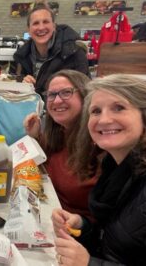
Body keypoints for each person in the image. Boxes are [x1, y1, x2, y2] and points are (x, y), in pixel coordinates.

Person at [52, 74, 146, 265]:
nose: (104, 119)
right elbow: (114, 240)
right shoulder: (115, 167)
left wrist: (89, 263)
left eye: (119, 108)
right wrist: (82, 226)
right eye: (96, 111)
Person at [24, 70, 98, 220]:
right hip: (48, 215)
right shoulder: (58, 134)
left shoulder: (99, 141)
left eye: (66, 92)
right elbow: (39, 168)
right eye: (52, 94)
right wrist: (34, 137)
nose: (57, 101)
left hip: (78, 231)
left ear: (86, 96)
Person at [10, 3, 89, 96]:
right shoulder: (21, 57)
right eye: (35, 23)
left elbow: (84, 92)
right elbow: (13, 90)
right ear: (29, 29)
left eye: (46, 22)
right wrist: (23, 86)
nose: (41, 27)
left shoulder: (73, 52)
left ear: (54, 26)